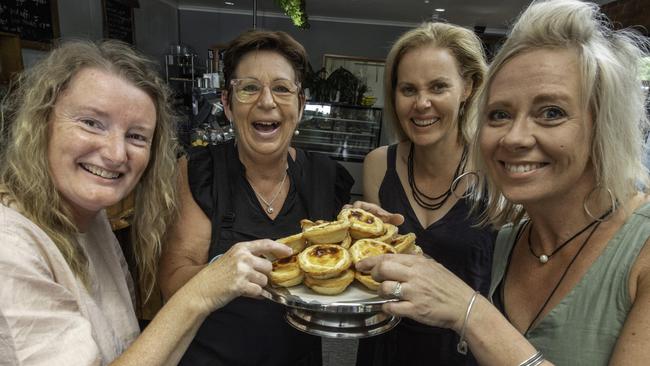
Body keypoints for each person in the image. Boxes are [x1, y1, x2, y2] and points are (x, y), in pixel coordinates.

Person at [357, 0, 650, 365]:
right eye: (500, 114)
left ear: (605, 122)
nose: (514, 137)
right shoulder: (511, 243)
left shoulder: (640, 247)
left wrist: (471, 313)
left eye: (551, 112)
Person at [0, 39, 293, 366]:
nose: (115, 153)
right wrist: (201, 291)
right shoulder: (9, 249)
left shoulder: (91, 223)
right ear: (42, 123)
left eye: (137, 136)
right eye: (91, 123)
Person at [158, 30, 354, 366]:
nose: (267, 101)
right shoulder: (198, 172)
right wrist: (227, 273)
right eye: (249, 88)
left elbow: (342, 270)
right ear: (227, 104)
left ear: (301, 104)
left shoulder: (326, 176)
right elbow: (173, 281)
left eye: (282, 88)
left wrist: (363, 231)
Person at [356, 22, 495, 366]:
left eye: (438, 87)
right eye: (408, 89)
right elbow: (372, 270)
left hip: (463, 353)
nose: (422, 103)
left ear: (468, 87)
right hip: (384, 347)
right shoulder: (378, 164)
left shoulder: (497, 169)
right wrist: (355, 235)